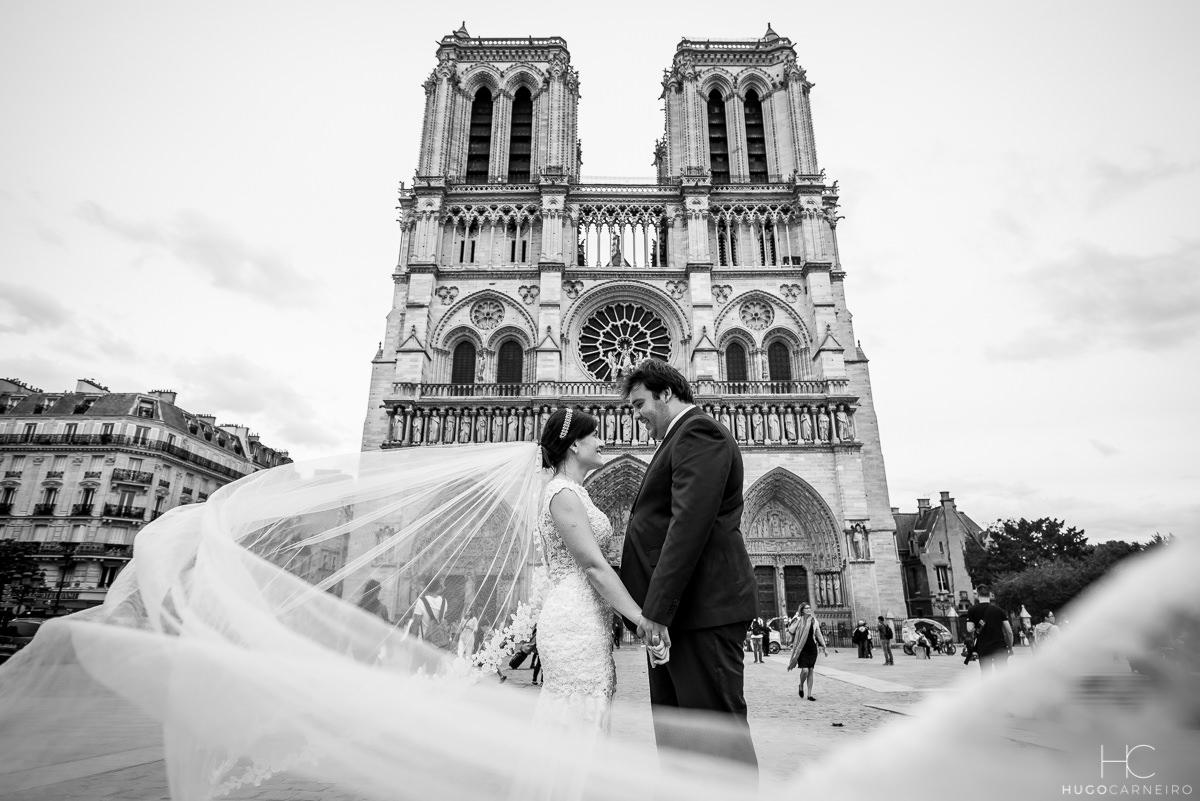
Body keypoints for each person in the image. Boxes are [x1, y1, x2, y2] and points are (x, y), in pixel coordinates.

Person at [619, 360, 759, 767]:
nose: (636, 415)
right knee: (680, 744)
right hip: (681, 616)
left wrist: (656, 612)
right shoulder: (678, 438)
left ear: (666, 394)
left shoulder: (698, 432)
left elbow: (689, 525)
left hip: (699, 612)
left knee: (714, 741)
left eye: (640, 403)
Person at [536, 407, 651, 731]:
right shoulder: (562, 493)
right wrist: (639, 619)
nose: (602, 442)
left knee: (590, 717)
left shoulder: (574, 491)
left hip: (586, 617)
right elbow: (593, 566)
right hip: (573, 622)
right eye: (595, 435)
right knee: (578, 721)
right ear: (574, 444)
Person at [966, 584, 1014, 674]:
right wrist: (1010, 647)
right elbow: (1009, 632)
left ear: (977, 595)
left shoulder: (972, 610)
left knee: (986, 674)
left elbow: (969, 629)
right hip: (1000, 647)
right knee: (1002, 675)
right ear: (989, 595)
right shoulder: (999, 610)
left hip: (983, 648)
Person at [787, 603, 828, 700]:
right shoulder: (798, 621)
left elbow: (818, 635)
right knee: (805, 670)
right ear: (802, 610)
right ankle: (801, 685)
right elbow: (790, 632)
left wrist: (824, 647)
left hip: (812, 648)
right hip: (801, 648)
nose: (809, 610)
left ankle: (809, 694)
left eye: (810, 608)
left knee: (811, 670)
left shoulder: (814, 621)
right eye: (806, 608)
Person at [413, 578, 449, 647]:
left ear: (426, 587)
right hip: (439, 644)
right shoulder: (444, 602)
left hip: (423, 644)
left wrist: (410, 641)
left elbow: (416, 623)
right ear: (438, 587)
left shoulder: (421, 601)